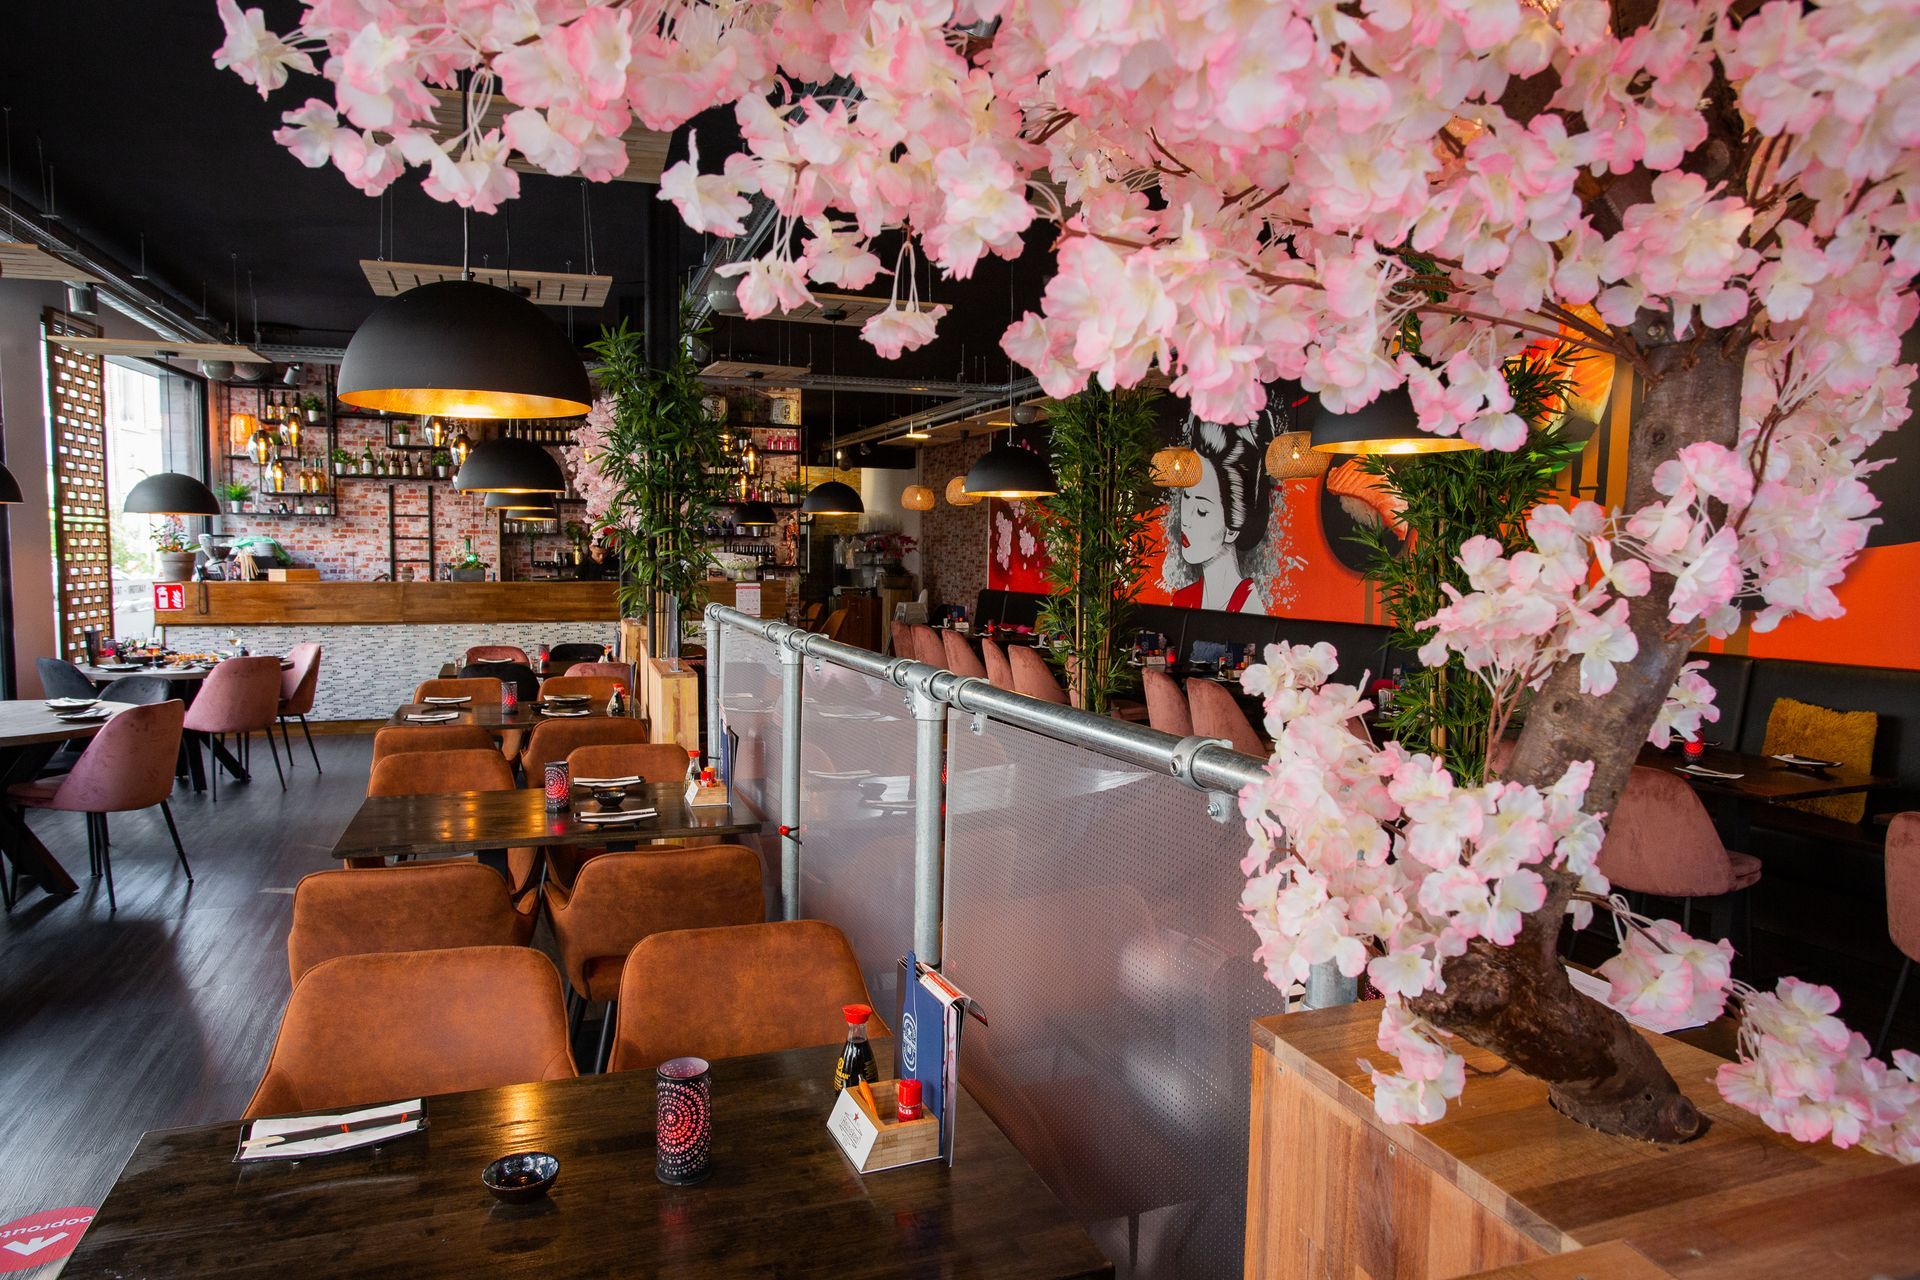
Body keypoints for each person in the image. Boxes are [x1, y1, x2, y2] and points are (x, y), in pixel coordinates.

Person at [1162, 419, 1272, 613]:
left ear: (1231, 529)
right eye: (1187, 496)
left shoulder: (1251, 607)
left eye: (1202, 510)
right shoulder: (1182, 600)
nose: (1185, 520)